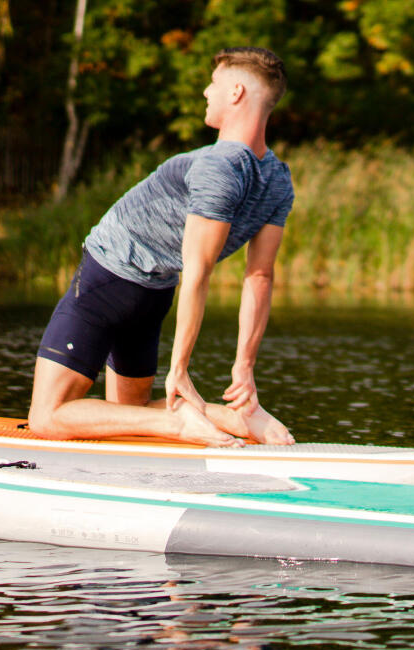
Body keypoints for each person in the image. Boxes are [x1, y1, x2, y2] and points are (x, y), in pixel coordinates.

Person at [28, 46, 297, 448]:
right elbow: (259, 276)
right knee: (130, 414)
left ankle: (180, 425)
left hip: (108, 280)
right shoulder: (278, 177)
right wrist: (244, 369)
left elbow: (200, 271)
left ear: (237, 92)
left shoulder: (218, 167)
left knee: (47, 417)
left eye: (214, 83)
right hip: (153, 293)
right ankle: (238, 417)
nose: (207, 92)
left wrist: (181, 368)